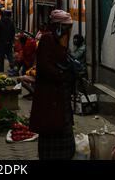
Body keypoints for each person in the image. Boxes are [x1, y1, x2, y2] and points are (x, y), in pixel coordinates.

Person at [29, 9, 76, 160]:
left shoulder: (60, 41)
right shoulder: (48, 39)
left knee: (65, 138)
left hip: (61, 98)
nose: (69, 31)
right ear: (60, 27)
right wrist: (63, 74)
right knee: (52, 135)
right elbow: (45, 66)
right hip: (50, 100)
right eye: (67, 27)